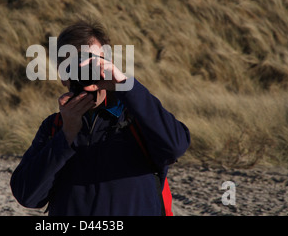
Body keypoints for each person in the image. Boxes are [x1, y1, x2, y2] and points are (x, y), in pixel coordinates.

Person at [10, 19, 190, 216]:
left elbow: (176, 146)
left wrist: (125, 86)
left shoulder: (136, 117)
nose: (85, 73)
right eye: (73, 66)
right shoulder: (55, 127)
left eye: (92, 63)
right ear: (63, 76)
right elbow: (27, 195)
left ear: (108, 64)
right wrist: (66, 137)